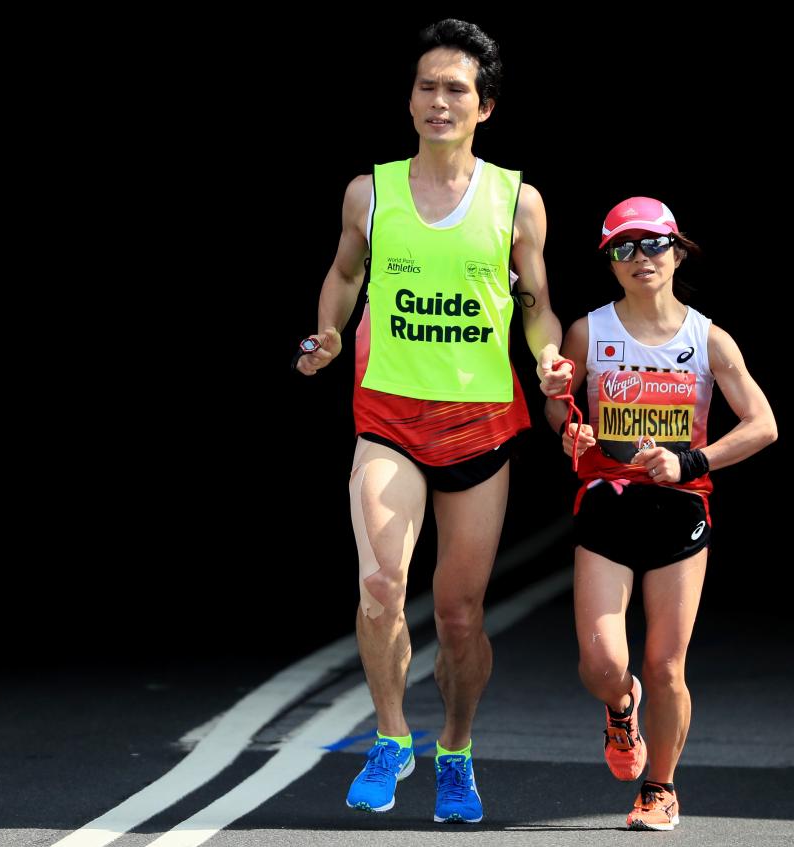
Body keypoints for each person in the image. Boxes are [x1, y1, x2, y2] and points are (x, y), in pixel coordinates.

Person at [294, 19, 569, 824]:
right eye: (426, 86)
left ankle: (454, 748)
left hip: (478, 428)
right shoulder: (369, 192)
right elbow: (344, 275)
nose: (438, 100)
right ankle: (389, 737)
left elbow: (538, 308)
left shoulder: (518, 200)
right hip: (388, 418)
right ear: (409, 99)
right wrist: (332, 333)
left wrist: (549, 359)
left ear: (484, 106)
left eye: (456, 89)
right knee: (381, 583)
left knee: (458, 616)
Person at [545, 196, 777, 830]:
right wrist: (572, 432)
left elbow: (763, 425)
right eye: (624, 248)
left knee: (666, 665)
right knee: (603, 665)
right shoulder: (588, 332)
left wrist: (691, 462)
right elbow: (562, 413)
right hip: (607, 507)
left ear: (677, 252)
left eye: (652, 244)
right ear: (611, 263)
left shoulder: (710, 339)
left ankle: (660, 789)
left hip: (680, 511)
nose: (640, 257)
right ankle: (622, 710)